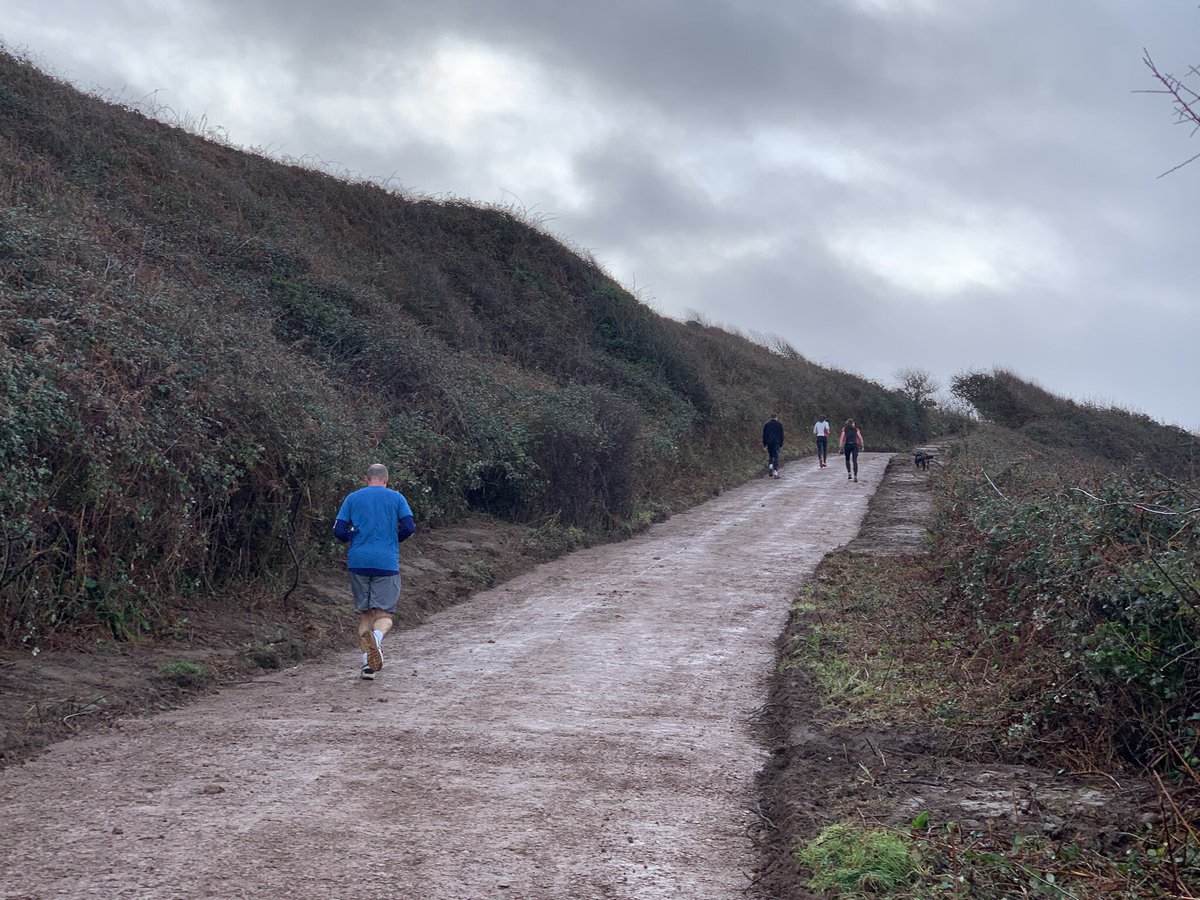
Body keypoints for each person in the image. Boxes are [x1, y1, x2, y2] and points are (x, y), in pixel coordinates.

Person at [333, 463, 416, 680]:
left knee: (365, 614)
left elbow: (339, 531)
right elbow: (409, 527)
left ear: (365, 479)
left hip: (358, 561)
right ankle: (377, 639)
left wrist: (353, 538)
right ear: (387, 480)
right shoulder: (397, 498)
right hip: (386, 562)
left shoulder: (352, 498)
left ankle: (367, 665)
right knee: (384, 614)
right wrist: (393, 539)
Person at [762, 414, 784, 478]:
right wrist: (781, 443)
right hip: (776, 442)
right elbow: (781, 435)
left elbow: (764, 435)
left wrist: (765, 444)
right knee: (776, 456)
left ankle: (770, 465)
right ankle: (775, 472)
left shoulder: (767, 425)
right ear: (777, 417)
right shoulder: (779, 425)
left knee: (771, 455)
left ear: (771, 417)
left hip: (769, 442)